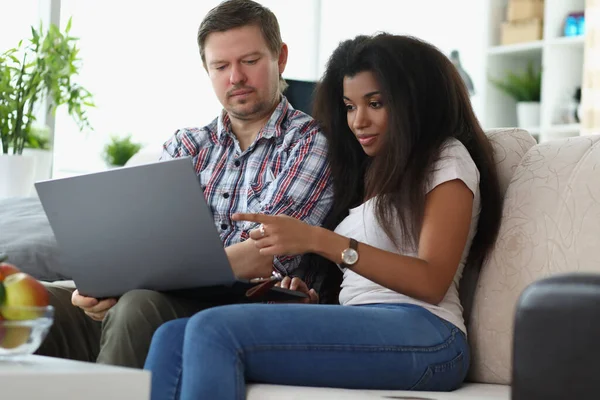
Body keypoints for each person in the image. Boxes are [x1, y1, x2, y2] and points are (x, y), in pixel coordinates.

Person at [143, 33, 503, 399]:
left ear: (414, 101)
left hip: (428, 334)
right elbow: (363, 285)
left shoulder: (446, 158)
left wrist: (318, 239)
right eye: (349, 106)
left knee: (213, 330)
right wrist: (314, 304)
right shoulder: (373, 172)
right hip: (362, 319)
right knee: (172, 335)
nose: (358, 121)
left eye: (375, 103)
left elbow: (431, 281)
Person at [36, 0, 333, 369]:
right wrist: (102, 286)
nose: (235, 77)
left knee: (137, 305)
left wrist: (135, 282)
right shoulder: (186, 145)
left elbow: (263, 254)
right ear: (207, 70)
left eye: (250, 61)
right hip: (159, 302)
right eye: (221, 66)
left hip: (246, 313)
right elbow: (148, 245)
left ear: (280, 57)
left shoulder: (311, 142)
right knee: (34, 303)